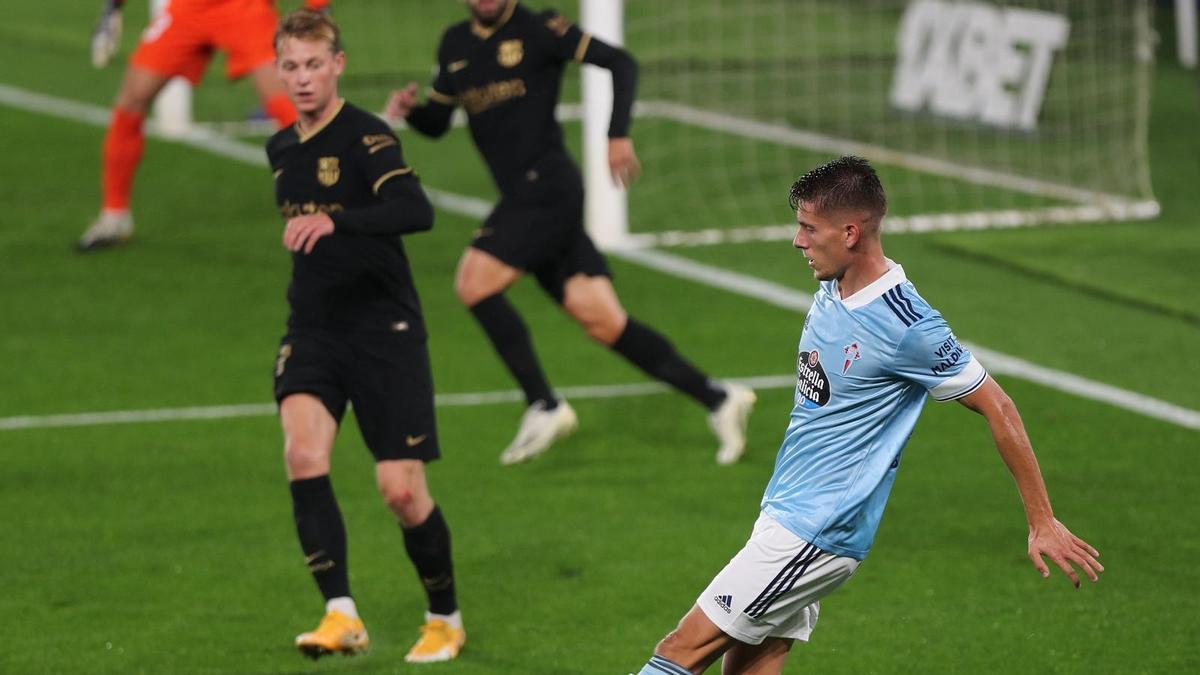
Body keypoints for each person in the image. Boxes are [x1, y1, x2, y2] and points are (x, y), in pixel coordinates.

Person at [631, 156, 1104, 675]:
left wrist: (1041, 519)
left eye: (809, 228)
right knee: (753, 661)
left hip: (817, 529)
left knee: (679, 650)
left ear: (851, 232)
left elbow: (998, 404)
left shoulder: (908, 325)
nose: (797, 241)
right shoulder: (832, 285)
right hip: (787, 509)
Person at [385, 0, 757, 466]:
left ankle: (544, 404)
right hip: (529, 200)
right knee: (604, 321)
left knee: (473, 283)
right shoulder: (454, 44)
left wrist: (617, 134)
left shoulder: (539, 28)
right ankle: (718, 398)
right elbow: (438, 122)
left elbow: (621, 62)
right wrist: (411, 111)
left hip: (548, 189)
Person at [266, 10, 465, 663]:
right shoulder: (280, 147)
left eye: (313, 65)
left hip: (385, 331)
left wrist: (335, 221)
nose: (302, 79)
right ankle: (340, 612)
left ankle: (444, 617)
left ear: (337, 64)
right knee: (302, 454)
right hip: (315, 330)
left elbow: (416, 210)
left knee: (401, 491)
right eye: (290, 66)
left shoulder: (369, 136)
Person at [79, 0, 330, 251]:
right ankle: (114, 218)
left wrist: (317, 7)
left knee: (289, 108)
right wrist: (114, 7)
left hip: (244, 8)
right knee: (130, 102)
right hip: (189, 9)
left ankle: (341, 204)